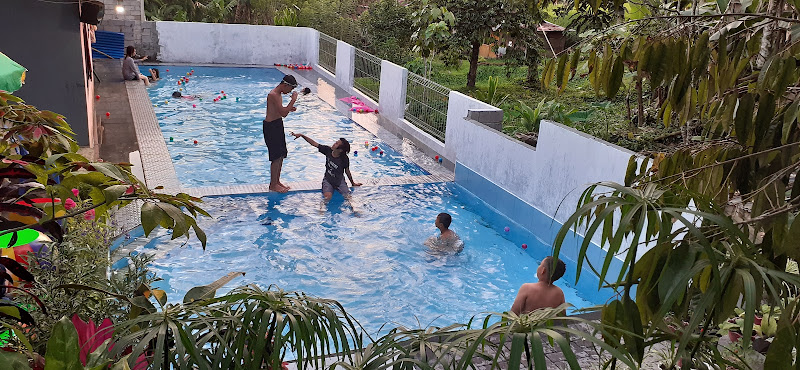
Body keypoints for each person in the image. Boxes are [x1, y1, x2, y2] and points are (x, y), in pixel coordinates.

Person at [290, 132, 362, 200]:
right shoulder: (328, 150)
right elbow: (314, 143)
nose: (334, 144)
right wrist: (302, 135)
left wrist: (353, 183)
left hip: (340, 181)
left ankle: (355, 211)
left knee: (348, 197)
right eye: (335, 142)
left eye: (336, 144)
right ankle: (321, 211)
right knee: (327, 198)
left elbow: (347, 171)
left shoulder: (344, 159)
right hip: (328, 180)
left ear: (340, 150)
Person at [264, 75, 299, 193]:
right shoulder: (273, 95)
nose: (290, 92)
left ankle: (277, 181)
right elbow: (284, 113)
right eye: (290, 89)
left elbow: (282, 112)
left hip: (277, 124)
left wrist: (289, 108)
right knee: (275, 156)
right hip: (271, 127)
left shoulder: (278, 95)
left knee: (281, 155)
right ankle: (272, 184)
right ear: (285, 85)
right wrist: (292, 100)